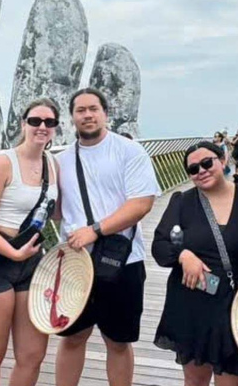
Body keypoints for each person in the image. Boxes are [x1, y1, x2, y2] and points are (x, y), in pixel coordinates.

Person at [55, 87, 161, 386]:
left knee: (118, 341)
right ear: (72, 118)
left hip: (122, 259)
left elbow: (141, 204)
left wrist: (96, 230)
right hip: (76, 262)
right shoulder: (61, 160)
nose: (87, 115)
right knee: (72, 337)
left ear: (105, 113)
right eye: (80, 110)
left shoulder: (129, 151)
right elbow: (57, 209)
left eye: (93, 109)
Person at [0, 98, 61, 386]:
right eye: (35, 121)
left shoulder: (52, 164)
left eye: (49, 122)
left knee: (32, 355)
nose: (42, 127)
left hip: (32, 265)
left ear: (55, 128)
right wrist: (13, 252)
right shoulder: (3, 163)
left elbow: (57, 212)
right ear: (23, 124)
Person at [153, 141, 238, 386]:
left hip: (235, 304)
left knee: (231, 380)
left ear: (222, 161)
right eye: (193, 169)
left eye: (206, 163)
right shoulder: (182, 202)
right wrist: (183, 256)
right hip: (193, 301)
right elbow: (160, 246)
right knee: (194, 380)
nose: (201, 171)